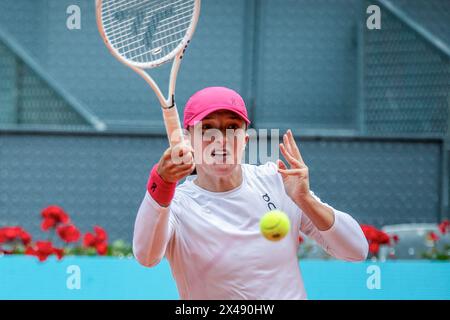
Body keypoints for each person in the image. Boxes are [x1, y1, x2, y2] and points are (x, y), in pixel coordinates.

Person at [133, 86, 368, 299]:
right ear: (188, 140)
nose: (221, 139)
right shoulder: (177, 204)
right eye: (207, 129)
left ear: (244, 139)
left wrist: (305, 200)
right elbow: (147, 256)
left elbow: (356, 250)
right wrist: (162, 182)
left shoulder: (278, 182)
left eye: (232, 128)